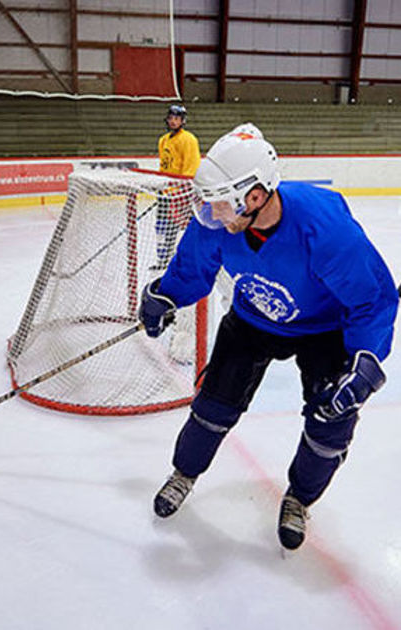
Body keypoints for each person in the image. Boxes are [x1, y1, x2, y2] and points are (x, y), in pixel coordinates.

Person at [139, 124, 398, 550]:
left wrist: (365, 362)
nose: (213, 216)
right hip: (252, 320)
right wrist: (166, 295)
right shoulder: (218, 221)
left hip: (324, 329)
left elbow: (370, 300)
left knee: (331, 424)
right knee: (212, 408)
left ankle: (299, 498)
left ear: (254, 196)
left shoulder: (325, 226)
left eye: (221, 206)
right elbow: (193, 268)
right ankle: (184, 472)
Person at [153, 104, 201, 271]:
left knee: (189, 227)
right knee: (163, 226)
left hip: (182, 192)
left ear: (183, 121)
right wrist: (162, 186)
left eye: (177, 119)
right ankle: (163, 259)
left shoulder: (188, 139)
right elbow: (164, 166)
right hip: (166, 193)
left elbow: (191, 166)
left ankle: (194, 257)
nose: (173, 122)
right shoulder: (163, 140)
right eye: (171, 118)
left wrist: (182, 189)